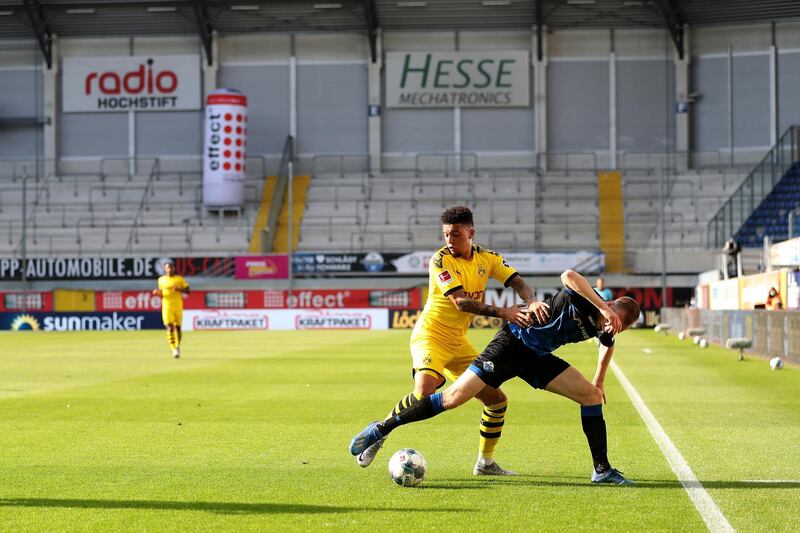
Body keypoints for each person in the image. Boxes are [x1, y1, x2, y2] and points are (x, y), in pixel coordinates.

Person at [350, 269, 641, 485]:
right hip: (512, 343)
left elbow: (606, 345)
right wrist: (603, 308)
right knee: (453, 398)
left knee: (590, 395)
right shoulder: (591, 302)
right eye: (613, 320)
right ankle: (381, 428)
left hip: (537, 358)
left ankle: (601, 470)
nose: (611, 327)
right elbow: (568, 275)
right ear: (612, 305)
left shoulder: (608, 326)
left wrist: (600, 380)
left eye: (618, 328)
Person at [355, 205, 549, 476]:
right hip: (431, 335)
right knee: (424, 390)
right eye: (446, 234)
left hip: (459, 342)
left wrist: (533, 301)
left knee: (496, 400)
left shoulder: (488, 258)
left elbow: (517, 282)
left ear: (471, 233)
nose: (449, 240)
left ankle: (486, 463)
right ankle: (380, 431)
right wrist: (504, 312)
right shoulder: (440, 260)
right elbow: (460, 302)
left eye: (455, 234)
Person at [152, 260, 190, 358]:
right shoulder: (161, 280)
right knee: (169, 327)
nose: (169, 269)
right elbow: (163, 293)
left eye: (171, 267)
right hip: (167, 306)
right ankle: (173, 349)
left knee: (178, 328)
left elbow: (188, 291)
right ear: (165, 269)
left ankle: (178, 346)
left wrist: (178, 289)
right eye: (168, 267)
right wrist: (157, 293)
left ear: (174, 268)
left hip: (177, 306)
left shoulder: (179, 279)